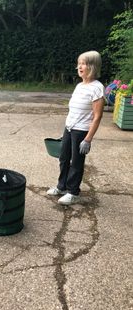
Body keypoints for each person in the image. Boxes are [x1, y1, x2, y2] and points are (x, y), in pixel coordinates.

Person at [47, 50, 105, 205]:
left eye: (84, 64)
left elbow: (98, 116)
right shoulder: (79, 85)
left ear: (92, 66)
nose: (80, 67)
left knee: (77, 162)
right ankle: (62, 187)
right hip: (69, 128)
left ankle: (73, 192)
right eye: (79, 63)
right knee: (63, 158)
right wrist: (67, 128)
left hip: (82, 131)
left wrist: (88, 139)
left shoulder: (97, 88)